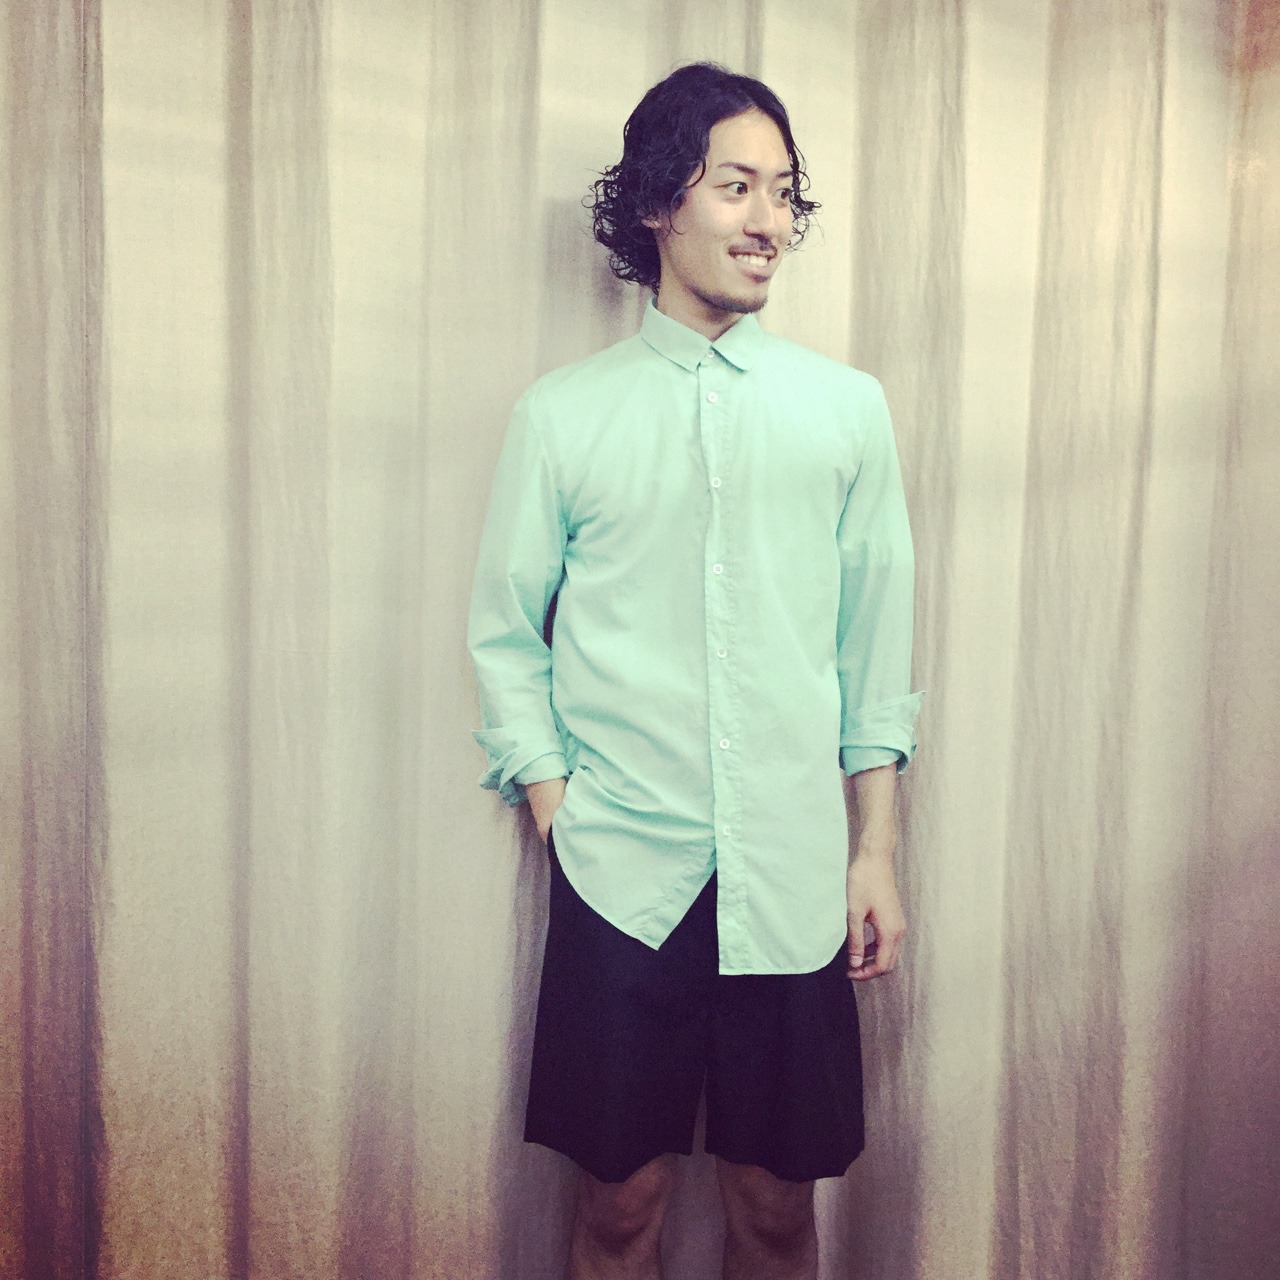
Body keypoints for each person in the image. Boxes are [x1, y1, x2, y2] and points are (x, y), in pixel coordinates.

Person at [468, 61, 922, 1280]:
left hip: (788, 874)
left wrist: (872, 850)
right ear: (658, 202)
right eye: (735, 186)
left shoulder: (846, 410)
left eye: (782, 191)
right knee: (619, 1211)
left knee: (774, 1212)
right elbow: (504, 631)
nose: (767, 219)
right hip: (623, 874)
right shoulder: (562, 416)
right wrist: (555, 800)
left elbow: (873, 646)